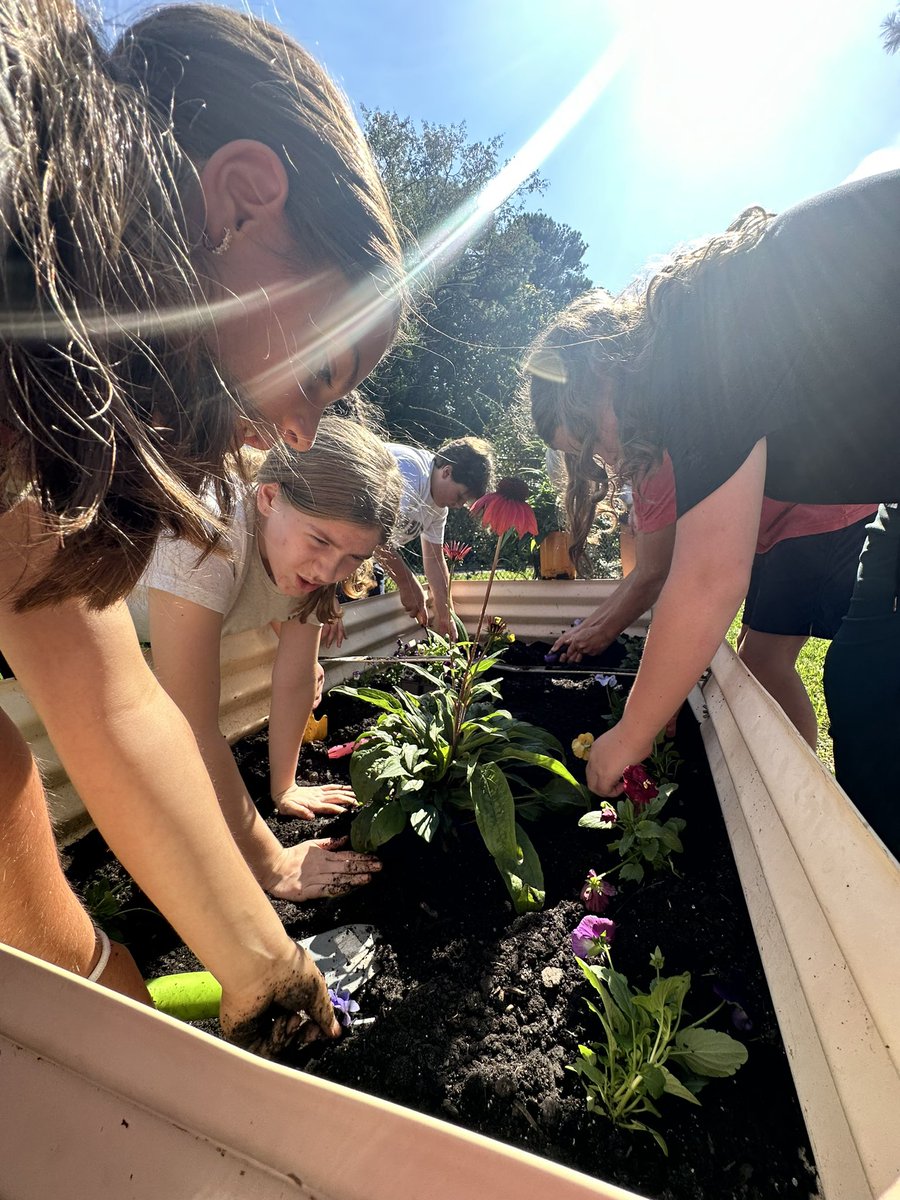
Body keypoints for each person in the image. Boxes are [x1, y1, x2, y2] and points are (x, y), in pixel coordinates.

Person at [0, 0, 403, 1053]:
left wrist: (264, 968)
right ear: (237, 198)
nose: (296, 430)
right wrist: (87, 971)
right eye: (320, 372)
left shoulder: (49, 377)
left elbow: (101, 683)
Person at [526, 170, 900, 846]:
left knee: (875, 701)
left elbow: (706, 577)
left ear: (599, 372)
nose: (603, 463)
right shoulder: (698, 333)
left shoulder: (687, 355)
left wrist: (627, 737)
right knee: (864, 677)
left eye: (588, 437)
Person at [129, 419, 400, 898]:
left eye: (354, 557)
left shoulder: (317, 565)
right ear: (269, 497)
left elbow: (295, 678)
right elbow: (188, 725)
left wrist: (285, 787)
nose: (330, 571)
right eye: (320, 541)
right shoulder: (207, 535)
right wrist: (270, 863)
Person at [551, 451, 874, 750]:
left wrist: (663, 693)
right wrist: (592, 628)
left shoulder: (656, 459)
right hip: (777, 515)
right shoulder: (645, 461)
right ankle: (767, 758)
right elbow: (650, 576)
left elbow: (668, 580)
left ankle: (798, 787)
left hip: (821, 507)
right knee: (750, 656)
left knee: (765, 660)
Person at [378, 437, 495, 639]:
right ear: (447, 471)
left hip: (363, 555)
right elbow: (372, 533)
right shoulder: (411, 473)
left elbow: (434, 559)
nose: (459, 505)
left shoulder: (438, 508)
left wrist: (445, 614)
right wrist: (407, 583)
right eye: (460, 496)